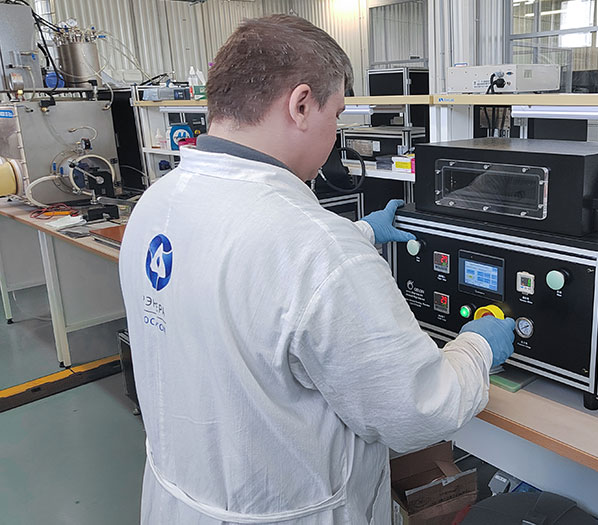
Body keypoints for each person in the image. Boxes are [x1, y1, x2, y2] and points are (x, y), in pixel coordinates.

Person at [118, 15, 516, 525]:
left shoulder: (159, 201)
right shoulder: (315, 246)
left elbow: (247, 278)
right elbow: (418, 409)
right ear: (301, 104)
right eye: (338, 114)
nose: (336, 132)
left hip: (179, 500)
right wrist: (477, 348)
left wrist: (361, 233)